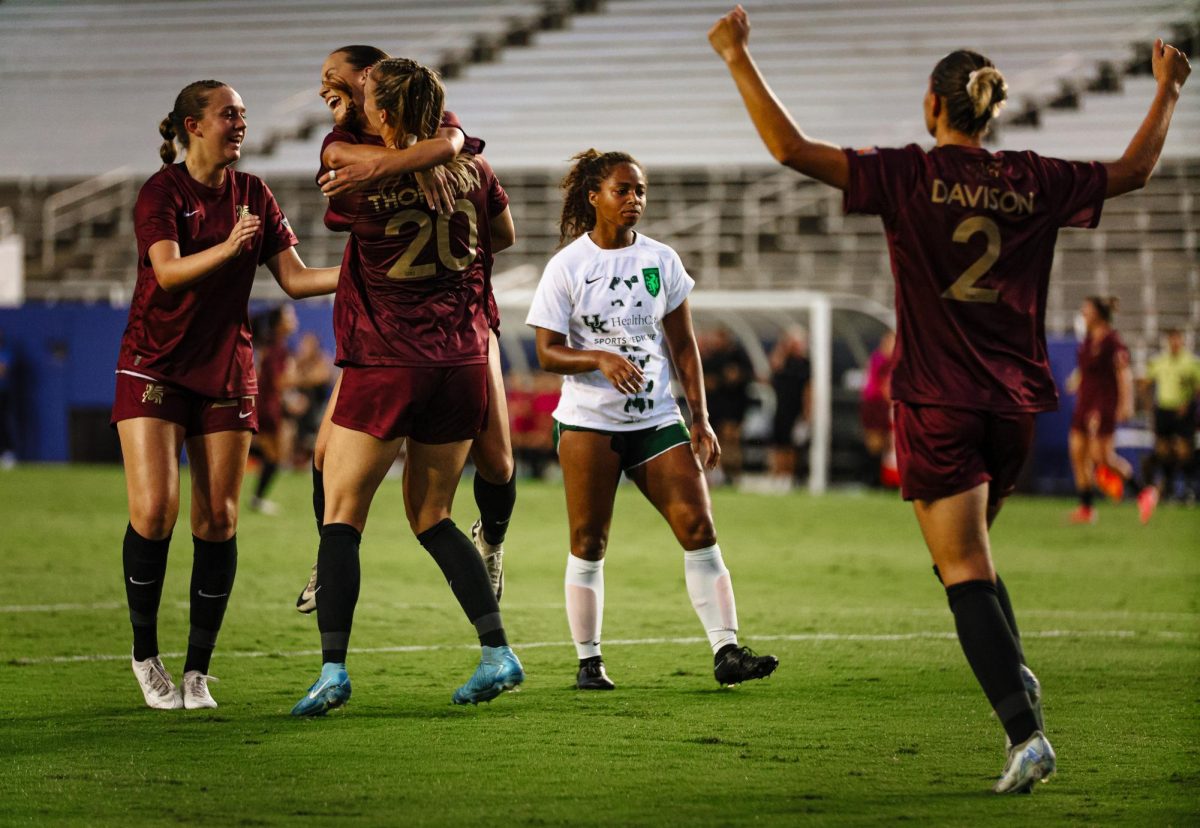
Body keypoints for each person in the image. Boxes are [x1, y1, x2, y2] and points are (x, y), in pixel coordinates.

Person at [710, 4, 1189, 793]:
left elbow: (791, 149)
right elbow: (1134, 172)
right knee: (965, 559)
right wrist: (1167, 88)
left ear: (934, 106)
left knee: (960, 564)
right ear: (990, 108)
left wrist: (736, 57)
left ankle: (1025, 732)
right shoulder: (1034, 176)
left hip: (938, 401)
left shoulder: (911, 173)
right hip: (1015, 408)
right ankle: (1017, 676)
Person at [290, 58, 522, 716]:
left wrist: (387, 166)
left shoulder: (354, 181)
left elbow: (341, 189)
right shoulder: (475, 169)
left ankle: (333, 669)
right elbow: (502, 234)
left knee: (342, 514)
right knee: (432, 516)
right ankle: (497, 651)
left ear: (383, 114)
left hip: (388, 357)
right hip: (462, 361)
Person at [113, 80, 339, 710]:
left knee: (219, 520)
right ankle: (145, 656)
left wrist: (364, 273)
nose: (240, 123)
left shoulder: (253, 194)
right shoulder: (161, 193)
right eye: (229, 115)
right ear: (193, 125)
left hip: (224, 370)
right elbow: (167, 271)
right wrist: (229, 246)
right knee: (156, 512)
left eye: (243, 114)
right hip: (153, 365)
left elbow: (294, 280)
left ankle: (196, 672)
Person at [527, 148, 779, 692]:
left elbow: (684, 346)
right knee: (589, 541)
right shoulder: (568, 265)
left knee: (699, 527)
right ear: (594, 196)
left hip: (658, 419)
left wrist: (702, 419)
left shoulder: (662, 260)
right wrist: (597, 357)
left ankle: (726, 649)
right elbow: (546, 352)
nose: (635, 199)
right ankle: (589, 661)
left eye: (640, 190)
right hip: (589, 422)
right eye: (623, 190)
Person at [1067, 296, 1134, 523]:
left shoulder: (1112, 342)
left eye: (1087, 309)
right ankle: (1086, 508)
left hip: (1103, 403)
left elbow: (1123, 373)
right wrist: (1075, 381)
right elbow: (1085, 369)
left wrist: (1126, 404)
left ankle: (1142, 489)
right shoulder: (1087, 341)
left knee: (1101, 457)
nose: (1083, 313)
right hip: (1085, 402)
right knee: (1077, 452)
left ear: (1097, 313)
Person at [1138, 328, 1200, 520]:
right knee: (1163, 450)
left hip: (1182, 410)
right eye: (1171, 339)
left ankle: (1188, 489)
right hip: (1163, 409)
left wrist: (1189, 403)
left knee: (1184, 450)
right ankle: (1169, 487)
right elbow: (1146, 384)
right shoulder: (1159, 361)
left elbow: (1197, 388)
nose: (1174, 343)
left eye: (1177, 339)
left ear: (1182, 341)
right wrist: (1149, 406)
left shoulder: (1191, 362)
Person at [249, 304, 299, 515]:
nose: (294, 320)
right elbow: (280, 382)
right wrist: (301, 378)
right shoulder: (279, 349)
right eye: (289, 316)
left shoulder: (272, 347)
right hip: (268, 406)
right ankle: (258, 499)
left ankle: (258, 498)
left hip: (267, 404)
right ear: (279, 324)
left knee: (273, 454)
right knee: (275, 455)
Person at [702, 326, 754, 484]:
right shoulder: (710, 358)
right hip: (713, 408)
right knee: (711, 440)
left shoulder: (738, 356)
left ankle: (733, 475)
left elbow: (746, 376)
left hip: (733, 408)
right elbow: (703, 380)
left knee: (730, 441)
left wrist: (735, 376)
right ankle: (715, 474)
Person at [768, 326, 811, 489]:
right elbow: (774, 365)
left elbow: (808, 389)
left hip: (796, 410)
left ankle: (788, 477)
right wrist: (783, 346)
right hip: (781, 408)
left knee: (791, 446)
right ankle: (778, 476)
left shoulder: (805, 364)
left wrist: (807, 415)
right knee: (778, 444)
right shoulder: (783, 360)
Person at [860, 330, 897, 488]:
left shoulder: (894, 361)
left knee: (889, 444)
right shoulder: (879, 360)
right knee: (875, 442)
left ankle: (885, 479)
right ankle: (872, 479)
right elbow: (882, 386)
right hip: (875, 405)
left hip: (888, 406)